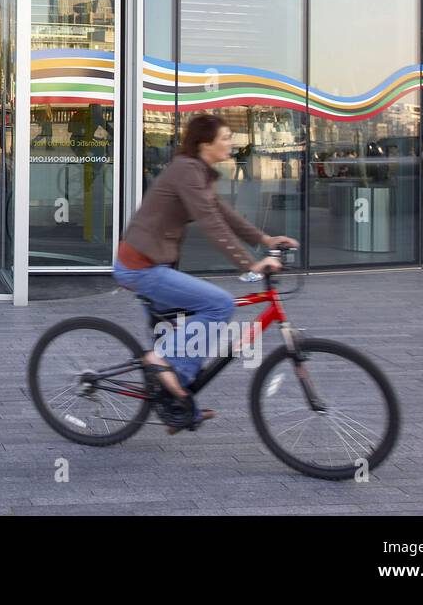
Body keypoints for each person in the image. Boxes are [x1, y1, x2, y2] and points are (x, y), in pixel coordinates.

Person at [114, 114, 298, 432]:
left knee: (202, 326)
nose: (231, 143)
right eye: (226, 137)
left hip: (156, 264)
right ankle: (159, 361)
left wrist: (266, 240)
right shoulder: (186, 170)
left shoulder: (198, 172)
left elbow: (225, 216)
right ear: (205, 143)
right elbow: (211, 224)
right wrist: (249, 264)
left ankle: (177, 404)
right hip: (140, 266)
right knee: (219, 305)